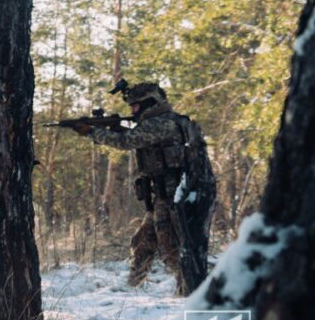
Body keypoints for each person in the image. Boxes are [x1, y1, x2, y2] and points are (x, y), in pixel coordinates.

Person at [73, 82, 216, 295]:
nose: (132, 110)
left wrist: (93, 132)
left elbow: (127, 141)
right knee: (143, 242)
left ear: (150, 102)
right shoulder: (167, 121)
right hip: (164, 194)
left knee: (171, 248)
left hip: (172, 196)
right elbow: (140, 139)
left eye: (136, 106)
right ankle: (131, 286)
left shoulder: (160, 123)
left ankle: (193, 290)